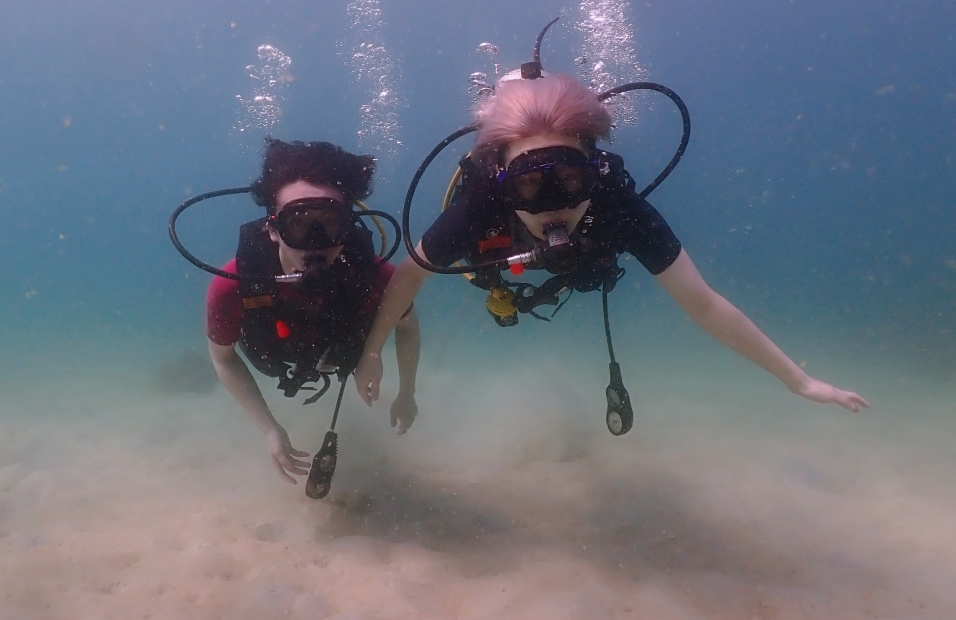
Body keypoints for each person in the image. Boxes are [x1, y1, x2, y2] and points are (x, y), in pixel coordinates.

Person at [352, 72, 868, 429]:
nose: (553, 206)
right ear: (502, 185)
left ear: (594, 174)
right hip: (497, 264)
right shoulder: (478, 206)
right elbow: (412, 276)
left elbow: (704, 303)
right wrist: (373, 350)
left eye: (569, 179)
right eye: (530, 187)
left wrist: (798, 382)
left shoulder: (615, 203)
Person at [206, 139, 420, 485]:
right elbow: (222, 358)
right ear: (273, 230)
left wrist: (402, 388)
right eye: (299, 224)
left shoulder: (378, 278)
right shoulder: (232, 287)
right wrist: (270, 430)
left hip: (342, 349)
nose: (316, 241)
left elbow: (408, 326)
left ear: (348, 228)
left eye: (330, 222)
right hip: (277, 353)